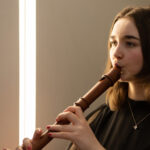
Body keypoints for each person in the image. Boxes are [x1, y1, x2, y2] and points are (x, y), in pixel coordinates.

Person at [6, 5, 150, 150]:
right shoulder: (102, 116)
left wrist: (92, 146)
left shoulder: (89, 133)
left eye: (130, 43)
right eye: (113, 43)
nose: (116, 53)